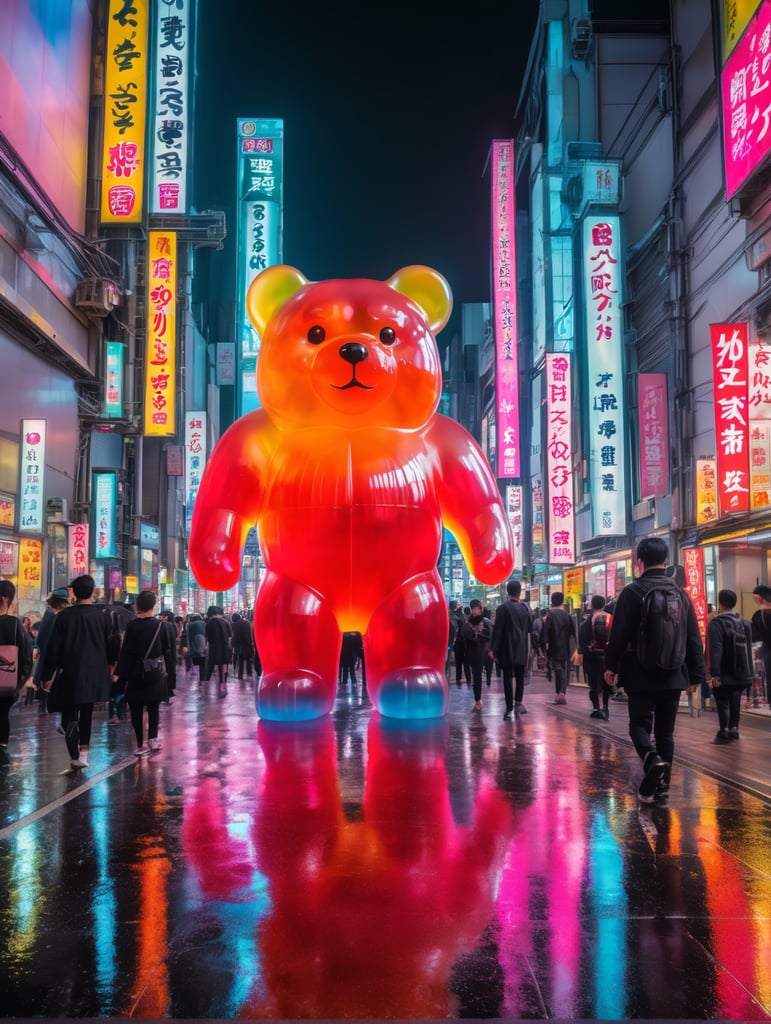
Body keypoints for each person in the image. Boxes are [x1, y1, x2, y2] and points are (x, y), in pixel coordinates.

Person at [603, 537, 705, 803]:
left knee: (638, 725)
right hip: (674, 674)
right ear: (666, 559)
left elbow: (619, 635)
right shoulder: (680, 594)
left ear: (639, 561)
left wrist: (610, 666)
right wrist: (696, 676)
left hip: (640, 673)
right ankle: (662, 786)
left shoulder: (632, 592)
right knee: (665, 733)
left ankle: (651, 759)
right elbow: (693, 637)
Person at [41, 574, 112, 771]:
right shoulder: (102, 616)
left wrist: (47, 675)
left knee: (70, 713)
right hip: (94, 673)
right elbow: (109, 645)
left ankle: (74, 757)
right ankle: (83, 754)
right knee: (87, 713)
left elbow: (53, 647)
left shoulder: (64, 616)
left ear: (74, 592)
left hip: (71, 671)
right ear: (93, 591)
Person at [113, 590, 172, 756]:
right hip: (154, 671)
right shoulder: (161, 626)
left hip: (135, 672)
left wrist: (118, 673)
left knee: (136, 709)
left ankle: (140, 744)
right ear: (154, 606)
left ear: (137, 605)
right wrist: (170, 676)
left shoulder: (131, 626)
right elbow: (167, 650)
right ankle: (153, 739)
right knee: (154, 707)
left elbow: (126, 652)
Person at [707, 589, 754, 743]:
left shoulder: (716, 623)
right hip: (742, 672)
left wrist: (714, 673)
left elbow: (716, 649)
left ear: (720, 603)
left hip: (724, 671)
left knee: (722, 702)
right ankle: (734, 728)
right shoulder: (744, 623)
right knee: (735, 699)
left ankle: (723, 731)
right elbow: (748, 649)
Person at [0, 579, 33, 769]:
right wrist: (22, 680)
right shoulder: (15, 625)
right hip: (7, 681)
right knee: (2, 714)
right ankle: (2, 750)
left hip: (7, 681)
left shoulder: (14, 624)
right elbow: (27, 654)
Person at [490, 580, 532, 719]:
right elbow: (530, 629)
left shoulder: (503, 608)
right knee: (520, 676)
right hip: (522, 647)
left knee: (507, 677)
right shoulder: (525, 609)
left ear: (508, 592)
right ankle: (518, 703)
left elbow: (498, 630)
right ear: (520, 592)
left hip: (506, 647)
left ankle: (509, 708)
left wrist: (494, 650)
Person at [32, 588, 70, 716]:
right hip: (52, 652)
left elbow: (42, 634)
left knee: (51, 678)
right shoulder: (54, 613)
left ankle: (47, 705)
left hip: (53, 652)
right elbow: (43, 634)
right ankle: (44, 705)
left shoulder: (59, 614)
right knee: (48, 678)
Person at [578, 594, 613, 720]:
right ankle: (605, 706)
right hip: (607, 656)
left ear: (592, 605)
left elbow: (583, 640)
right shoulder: (610, 618)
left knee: (593, 684)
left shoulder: (588, 621)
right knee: (606, 683)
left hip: (592, 656)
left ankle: (596, 708)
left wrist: (583, 651)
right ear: (604, 605)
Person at [543, 592, 575, 704]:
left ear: (552, 601)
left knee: (558, 669)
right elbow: (573, 632)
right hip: (565, 648)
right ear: (562, 601)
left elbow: (546, 632)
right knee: (563, 669)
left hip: (554, 647)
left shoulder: (550, 615)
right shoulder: (567, 615)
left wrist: (545, 645)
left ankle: (559, 693)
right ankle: (562, 693)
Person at [460, 600, 492, 711]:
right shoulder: (467, 623)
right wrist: (477, 636)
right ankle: (477, 700)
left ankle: (487, 682)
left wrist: (476, 636)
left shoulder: (486, 622)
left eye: (479, 608)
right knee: (477, 677)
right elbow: (465, 636)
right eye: (476, 608)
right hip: (474, 654)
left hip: (485, 653)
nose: (478, 610)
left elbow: (489, 635)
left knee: (485, 674)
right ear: (473, 609)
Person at [205, 605, 232, 698]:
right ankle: (222, 685)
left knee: (210, 666)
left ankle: (205, 686)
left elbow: (207, 636)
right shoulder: (225, 622)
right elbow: (230, 636)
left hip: (213, 648)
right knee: (222, 667)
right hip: (224, 647)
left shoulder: (209, 623)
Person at [750, 584, 771, 697]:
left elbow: (755, 635)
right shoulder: (759, 616)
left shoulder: (759, 616)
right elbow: (755, 635)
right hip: (767, 653)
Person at [232, 612, 256, 679]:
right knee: (248, 660)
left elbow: (234, 636)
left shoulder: (234, 625)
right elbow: (250, 634)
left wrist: (233, 645)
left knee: (240, 661)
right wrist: (251, 643)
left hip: (239, 646)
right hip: (248, 644)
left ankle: (240, 675)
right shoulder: (247, 623)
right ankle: (249, 674)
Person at [186, 613, 206, 677]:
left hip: (193, 648)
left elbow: (188, 637)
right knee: (203, 664)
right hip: (203, 647)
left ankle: (189, 668)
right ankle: (202, 677)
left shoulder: (189, 625)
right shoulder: (204, 624)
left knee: (196, 660)